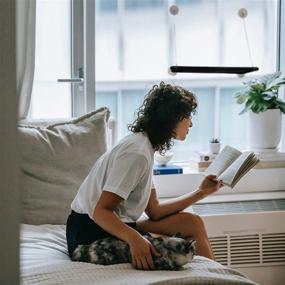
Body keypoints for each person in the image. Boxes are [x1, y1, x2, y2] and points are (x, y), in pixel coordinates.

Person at [66, 82, 224, 271]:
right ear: (172, 119)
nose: (191, 123)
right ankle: (213, 277)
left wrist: (201, 193)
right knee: (178, 250)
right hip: (90, 234)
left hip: (106, 224)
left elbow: (154, 210)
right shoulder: (137, 153)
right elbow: (101, 212)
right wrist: (136, 239)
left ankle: (215, 275)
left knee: (192, 222)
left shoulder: (145, 147)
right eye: (188, 116)